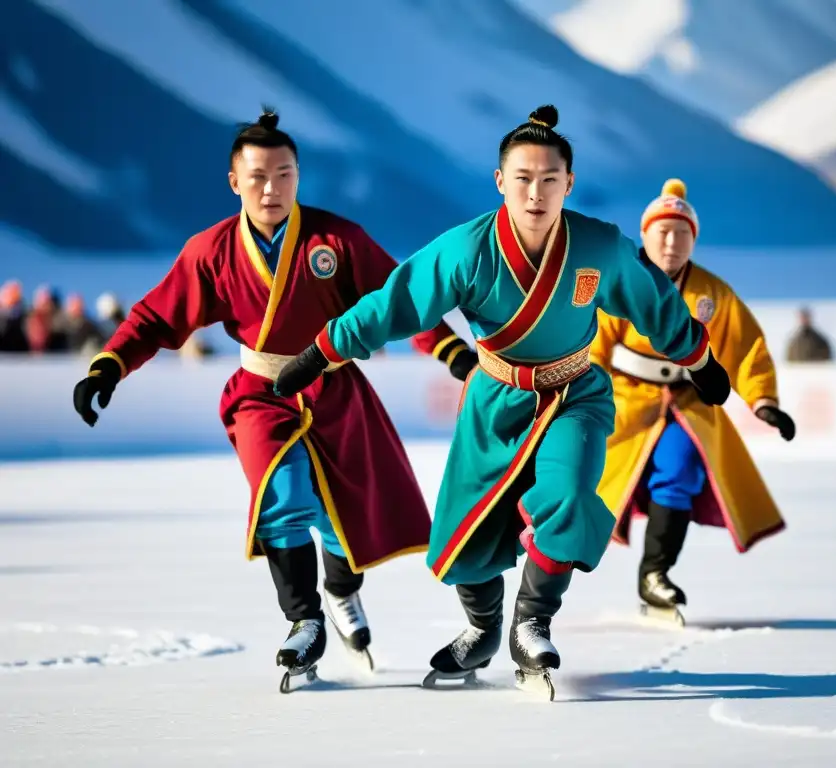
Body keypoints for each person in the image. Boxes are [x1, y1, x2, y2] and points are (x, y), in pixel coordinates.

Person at [272, 105, 732, 699]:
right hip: (493, 401)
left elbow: (655, 306)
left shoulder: (599, 247)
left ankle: (532, 622)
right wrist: (320, 351)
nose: (535, 193)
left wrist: (701, 361)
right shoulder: (466, 250)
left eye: (549, 180)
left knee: (565, 496)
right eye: (523, 178)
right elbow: (395, 303)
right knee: (467, 533)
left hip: (575, 395)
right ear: (500, 181)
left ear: (568, 183)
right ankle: (483, 629)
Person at [71, 109, 472, 693]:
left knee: (341, 513)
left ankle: (340, 589)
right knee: (284, 497)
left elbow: (399, 301)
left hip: (335, 387)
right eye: (258, 176)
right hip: (262, 393)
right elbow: (158, 316)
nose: (271, 188)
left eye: (284, 174)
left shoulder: (337, 240)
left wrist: (453, 354)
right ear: (235, 181)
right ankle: (304, 620)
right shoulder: (210, 251)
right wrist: (109, 364)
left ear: (298, 178)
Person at [591, 179, 793, 625]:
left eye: (682, 233)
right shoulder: (621, 284)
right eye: (662, 231)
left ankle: (655, 575)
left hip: (688, 402)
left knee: (679, 469)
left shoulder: (712, 293)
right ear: (643, 236)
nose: (671, 241)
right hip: (622, 401)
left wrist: (763, 400)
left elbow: (744, 349)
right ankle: (547, 568)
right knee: (581, 478)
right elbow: (592, 348)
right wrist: (586, 399)